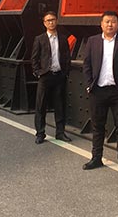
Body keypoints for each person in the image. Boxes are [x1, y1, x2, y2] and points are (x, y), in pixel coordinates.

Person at [82, 11, 118, 172]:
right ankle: (96, 158)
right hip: (98, 90)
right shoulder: (93, 41)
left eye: (113, 21)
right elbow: (87, 64)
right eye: (107, 21)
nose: (110, 24)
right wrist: (89, 84)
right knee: (97, 126)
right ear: (101, 24)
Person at [31, 11, 72, 144]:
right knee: (41, 105)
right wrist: (38, 72)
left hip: (59, 75)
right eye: (48, 20)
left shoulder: (63, 38)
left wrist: (66, 72)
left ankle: (60, 132)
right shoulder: (39, 39)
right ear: (44, 23)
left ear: (57, 21)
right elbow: (34, 58)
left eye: (53, 19)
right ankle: (40, 133)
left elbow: (67, 56)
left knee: (60, 105)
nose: (51, 22)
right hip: (45, 76)